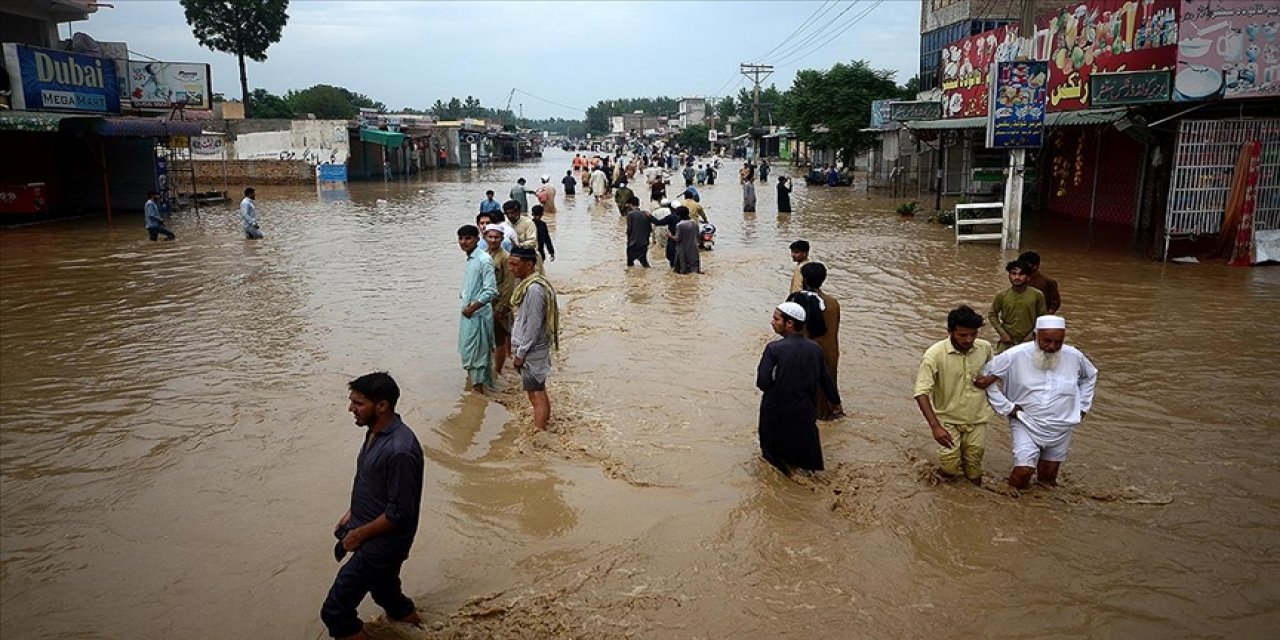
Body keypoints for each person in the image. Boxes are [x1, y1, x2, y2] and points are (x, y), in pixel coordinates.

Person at [321, 372, 424, 640]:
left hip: (384, 543)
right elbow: (375, 484)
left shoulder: (400, 449)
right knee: (387, 594)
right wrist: (352, 513)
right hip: (373, 532)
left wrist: (359, 534)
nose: (350, 409)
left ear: (382, 406)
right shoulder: (375, 432)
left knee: (335, 612)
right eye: (351, 401)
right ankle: (425, 629)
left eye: (358, 403)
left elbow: (400, 512)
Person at [982, 315, 1098, 490]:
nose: (1051, 347)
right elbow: (984, 378)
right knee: (1023, 471)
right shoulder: (1014, 355)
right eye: (1046, 341)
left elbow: (1090, 376)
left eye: (1057, 342)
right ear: (1035, 336)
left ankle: (1041, 513)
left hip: (1062, 424)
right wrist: (1007, 407)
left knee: (1048, 478)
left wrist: (1082, 407)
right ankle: (1011, 507)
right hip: (1025, 421)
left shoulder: (1074, 356)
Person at [756, 301, 843, 476]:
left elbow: (763, 382)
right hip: (804, 411)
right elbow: (826, 381)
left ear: (789, 324)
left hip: (775, 413)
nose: (772, 322)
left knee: (775, 464)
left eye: (776, 319)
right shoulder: (815, 349)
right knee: (804, 461)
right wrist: (835, 404)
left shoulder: (774, 349)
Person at [913, 306, 995, 486]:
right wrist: (935, 426)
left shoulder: (985, 348)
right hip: (947, 419)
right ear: (950, 332)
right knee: (950, 466)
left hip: (977, 417)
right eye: (963, 335)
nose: (969, 340)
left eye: (973, 335)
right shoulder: (934, 355)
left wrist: (990, 379)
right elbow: (921, 392)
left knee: (974, 468)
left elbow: (994, 373)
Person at [509, 247, 560, 431]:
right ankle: (544, 427)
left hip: (531, 351)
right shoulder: (529, 285)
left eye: (515, 264)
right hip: (533, 349)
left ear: (529, 264)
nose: (511, 268)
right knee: (539, 392)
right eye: (510, 263)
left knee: (536, 396)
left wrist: (521, 352)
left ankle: (539, 435)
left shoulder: (533, 290)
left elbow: (533, 325)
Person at [787, 262, 843, 420]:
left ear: (804, 279)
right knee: (826, 392)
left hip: (804, 353)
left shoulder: (796, 301)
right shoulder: (833, 303)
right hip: (829, 353)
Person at [457, 225, 498, 393]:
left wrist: (472, 308)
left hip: (477, 315)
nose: (463, 242)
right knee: (469, 353)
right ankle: (477, 395)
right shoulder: (471, 259)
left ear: (477, 239)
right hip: (469, 315)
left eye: (468, 238)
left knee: (477, 358)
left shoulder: (484, 260)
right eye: (461, 239)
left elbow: (491, 291)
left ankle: (478, 400)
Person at [988, 260, 1047, 353]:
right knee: (997, 364)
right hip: (1007, 340)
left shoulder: (1037, 295)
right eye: (1013, 274)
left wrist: (1032, 335)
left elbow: (1043, 318)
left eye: (1021, 274)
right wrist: (1002, 333)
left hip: (1029, 341)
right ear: (1009, 276)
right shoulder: (1002, 295)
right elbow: (992, 315)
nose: (1017, 277)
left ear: (1028, 277)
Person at [484, 225, 514, 375]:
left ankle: (498, 371)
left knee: (500, 338)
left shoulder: (505, 257)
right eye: (490, 237)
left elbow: (509, 284)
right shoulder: (483, 255)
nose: (493, 240)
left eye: (496, 237)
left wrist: (502, 306)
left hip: (498, 304)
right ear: (485, 238)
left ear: (502, 239)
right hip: (485, 304)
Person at [503, 200, 541, 274]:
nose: (510, 216)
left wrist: (518, 245)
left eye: (512, 213)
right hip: (511, 259)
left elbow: (533, 242)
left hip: (528, 258)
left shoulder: (528, 223)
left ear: (519, 212)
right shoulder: (505, 224)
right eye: (507, 213)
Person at [623, 196, 652, 268]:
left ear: (630, 204)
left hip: (633, 242)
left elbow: (629, 229)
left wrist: (628, 240)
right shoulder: (645, 214)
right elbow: (650, 229)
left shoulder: (630, 214)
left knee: (630, 264)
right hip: (644, 242)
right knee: (644, 262)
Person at [671, 206, 701, 274]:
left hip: (682, 249)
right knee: (694, 270)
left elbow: (677, 239)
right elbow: (698, 236)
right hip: (694, 248)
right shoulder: (694, 223)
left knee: (682, 270)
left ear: (679, 215)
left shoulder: (679, 225)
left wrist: (669, 235)